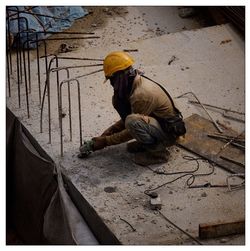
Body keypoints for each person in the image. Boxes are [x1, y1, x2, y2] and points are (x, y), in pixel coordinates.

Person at [78, 51, 186, 166]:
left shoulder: (140, 95)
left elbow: (132, 125)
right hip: (159, 122)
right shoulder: (132, 85)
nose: (111, 84)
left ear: (119, 76)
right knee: (120, 103)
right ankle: (148, 143)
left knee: (133, 122)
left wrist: (105, 141)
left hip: (170, 131)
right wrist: (109, 132)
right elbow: (130, 118)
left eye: (111, 79)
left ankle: (159, 154)